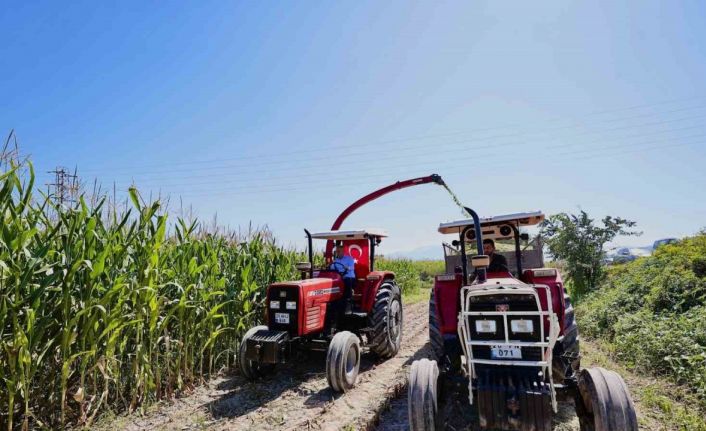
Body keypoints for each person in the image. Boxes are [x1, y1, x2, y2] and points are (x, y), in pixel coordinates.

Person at [331, 243, 356, 313]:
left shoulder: (349, 259)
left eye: (339, 251)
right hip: (339, 277)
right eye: (337, 251)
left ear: (343, 251)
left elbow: (352, 268)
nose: (337, 253)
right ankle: (335, 302)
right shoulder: (336, 260)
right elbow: (332, 268)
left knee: (347, 283)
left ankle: (348, 302)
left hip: (349, 277)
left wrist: (347, 268)